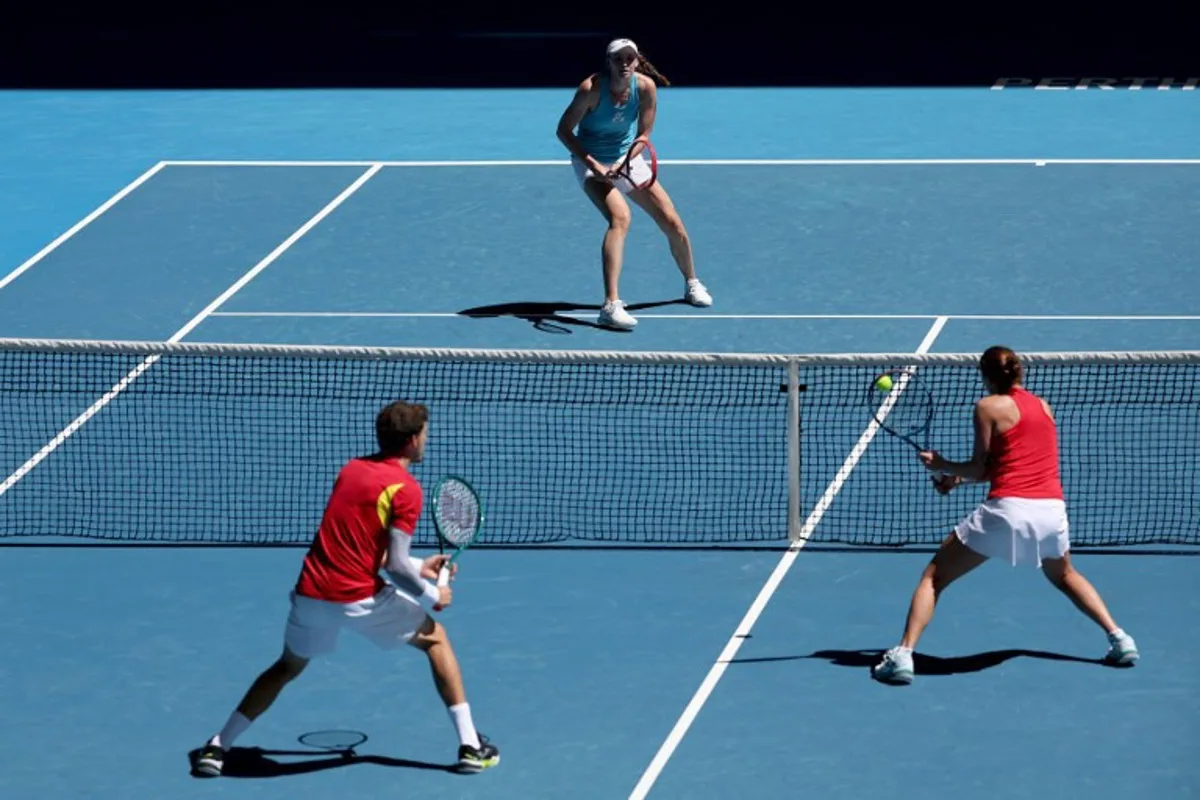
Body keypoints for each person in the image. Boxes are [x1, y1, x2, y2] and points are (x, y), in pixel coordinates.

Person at [192, 401, 499, 775]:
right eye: (424, 434)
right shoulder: (406, 490)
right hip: (359, 599)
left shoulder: (351, 470)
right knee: (437, 640)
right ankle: (470, 747)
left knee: (286, 667)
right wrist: (432, 595)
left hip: (311, 594)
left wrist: (422, 566)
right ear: (412, 440)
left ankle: (216, 747)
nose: (426, 440)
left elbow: (374, 552)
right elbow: (397, 567)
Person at [871, 345, 1140, 685]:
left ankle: (903, 655)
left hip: (1008, 511)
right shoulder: (1044, 406)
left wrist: (942, 464)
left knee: (934, 578)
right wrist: (955, 480)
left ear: (985, 376)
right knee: (1065, 575)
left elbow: (980, 466)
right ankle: (1120, 639)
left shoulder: (987, 407)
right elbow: (997, 469)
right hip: (1051, 511)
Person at [556, 37, 712, 330]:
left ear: (637, 61)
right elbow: (563, 130)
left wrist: (624, 162)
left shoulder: (645, 88)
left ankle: (692, 284)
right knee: (620, 218)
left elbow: (643, 136)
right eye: (619, 58)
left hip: (626, 158)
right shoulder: (591, 90)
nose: (625, 63)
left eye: (630, 58)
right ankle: (610, 306)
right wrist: (594, 165)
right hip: (590, 160)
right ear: (609, 63)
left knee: (672, 220)